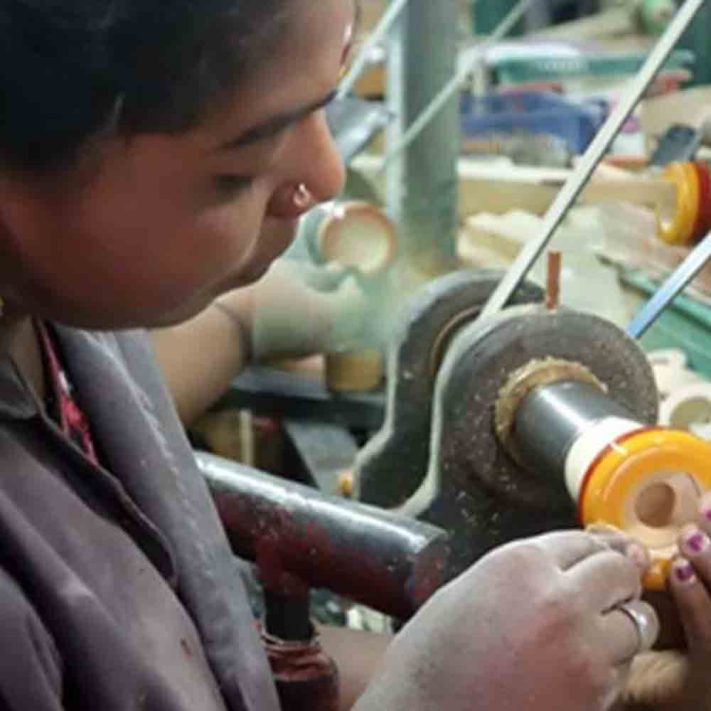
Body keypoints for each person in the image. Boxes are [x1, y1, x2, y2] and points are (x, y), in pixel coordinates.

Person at [0, 1, 664, 709]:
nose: (325, 174)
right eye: (244, 163)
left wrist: (637, 684)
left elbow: (198, 656)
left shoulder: (56, 310)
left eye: (325, 101)